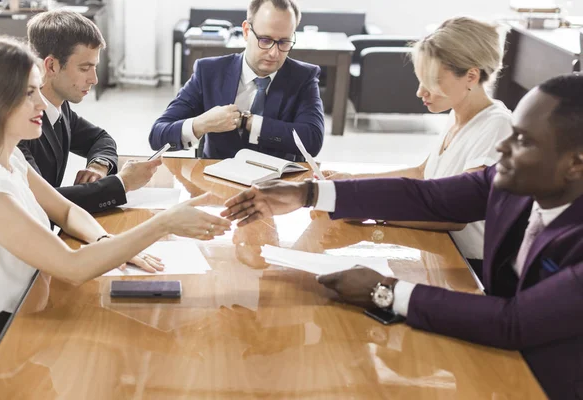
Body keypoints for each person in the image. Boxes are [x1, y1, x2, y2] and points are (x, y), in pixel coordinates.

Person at [221, 74, 583, 398]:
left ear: (576, 163)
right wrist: (308, 194)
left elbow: (513, 322)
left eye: (523, 141)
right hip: (491, 353)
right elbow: (428, 196)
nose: (503, 147)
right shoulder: (510, 182)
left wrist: (386, 291)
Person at [0, 36, 231, 360]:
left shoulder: (9, 154)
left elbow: (67, 212)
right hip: (2, 335)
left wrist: (103, 240)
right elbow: (71, 267)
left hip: (34, 308)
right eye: (30, 94)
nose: (42, 104)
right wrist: (163, 224)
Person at [327, 17, 512, 271]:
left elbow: (456, 213)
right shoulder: (457, 113)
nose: (420, 92)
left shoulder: (496, 126)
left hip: (468, 266)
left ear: (471, 76)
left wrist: (369, 207)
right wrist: (352, 181)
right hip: (439, 249)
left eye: (432, 82)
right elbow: (422, 174)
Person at [18, 10, 159, 214]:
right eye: (85, 68)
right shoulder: (17, 125)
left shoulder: (60, 106)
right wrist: (122, 183)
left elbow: (100, 139)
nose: (94, 79)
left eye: (95, 67)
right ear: (51, 66)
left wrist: (98, 167)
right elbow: (40, 202)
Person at [149, 0, 325, 161]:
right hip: (216, 181)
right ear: (247, 31)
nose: (274, 53)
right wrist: (201, 124)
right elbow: (158, 136)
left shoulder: (304, 77)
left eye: (284, 42)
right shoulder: (209, 72)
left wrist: (247, 122)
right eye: (265, 40)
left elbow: (312, 140)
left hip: (277, 185)